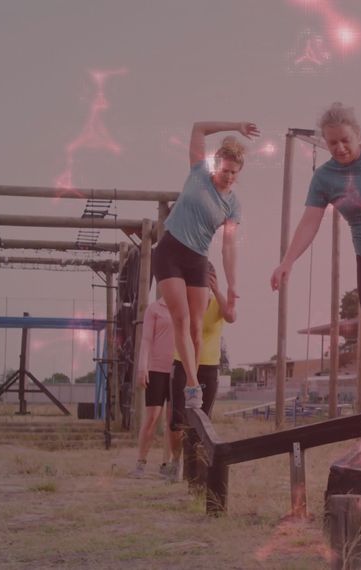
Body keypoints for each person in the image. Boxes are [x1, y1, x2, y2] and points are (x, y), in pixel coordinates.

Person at [270, 103, 361, 438]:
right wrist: (288, 260)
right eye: (332, 143)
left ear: (358, 134)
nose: (339, 148)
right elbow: (310, 223)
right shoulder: (324, 177)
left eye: (345, 140)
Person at [152, 120, 257, 410]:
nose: (228, 178)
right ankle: (193, 384)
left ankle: (191, 385)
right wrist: (236, 125)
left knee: (197, 328)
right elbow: (198, 127)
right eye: (225, 172)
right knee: (182, 319)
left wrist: (233, 284)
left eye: (234, 174)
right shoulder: (198, 172)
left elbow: (227, 247)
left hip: (197, 258)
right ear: (216, 166)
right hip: (170, 250)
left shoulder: (233, 205)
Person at [165, 262, 236, 479]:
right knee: (177, 420)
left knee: (203, 419)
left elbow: (231, 316)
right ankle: (176, 461)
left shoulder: (217, 303)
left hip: (208, 366)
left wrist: (216, 290)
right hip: (184, 364)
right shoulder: (186, 302)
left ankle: (196, 467)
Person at [128, 297, 174, 479]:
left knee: (173, 421)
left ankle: (167, 464)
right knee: (152, 418)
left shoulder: (184, 305)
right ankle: (140, 463)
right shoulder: (155, 308)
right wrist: (142, 367)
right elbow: (146, 339)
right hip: (156, 370)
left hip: (177, 371)